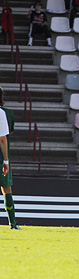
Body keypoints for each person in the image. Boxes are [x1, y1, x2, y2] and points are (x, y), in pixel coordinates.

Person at [0, 87, 19, 229]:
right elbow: (6, 136)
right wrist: (6, 160)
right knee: (7, 189)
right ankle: (12, 223)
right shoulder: (7, 114)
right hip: (1, 155)